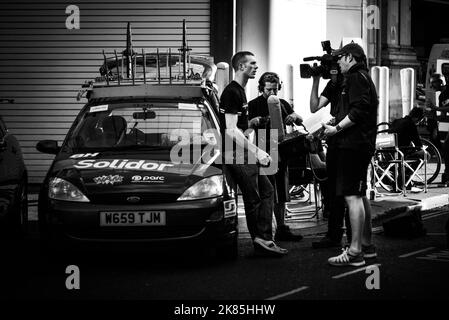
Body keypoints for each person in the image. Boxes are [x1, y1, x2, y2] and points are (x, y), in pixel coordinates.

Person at [219, 51, 287, 256]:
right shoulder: (232, 92)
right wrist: (257, 152)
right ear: (241, 66)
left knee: (266, 191)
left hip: (242, 152)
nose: (256, 67)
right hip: (235, 154)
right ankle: (261, 239)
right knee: (255, 196)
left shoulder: (240, 91)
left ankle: (263, 238)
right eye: (252, 63)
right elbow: (230, 129)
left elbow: (239, 126)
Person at [323, 43, 378, 267]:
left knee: (351, 196)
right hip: (359, 143)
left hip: (352, 145)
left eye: (339, 58)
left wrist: (336, 129)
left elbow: (359, 111)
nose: (337, 62)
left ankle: (354, 250)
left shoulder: (356, 77)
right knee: (360, 194)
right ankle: (366, 246)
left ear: (350, 57)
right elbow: (356, 109)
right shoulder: (361, 77)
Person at [248, 71, 304, 242]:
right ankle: (264, 231)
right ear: (261, 88)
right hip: (261, 150)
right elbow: (241, 127)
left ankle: (281, 228)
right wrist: (253, 121)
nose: (272, 93)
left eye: (275, 90)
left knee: (281, 190)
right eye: (268, 90)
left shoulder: (282, 103)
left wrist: (293, 116)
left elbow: (300, 119)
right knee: (265, 193)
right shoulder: (253, 105)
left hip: (280, 150)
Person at [309, 71, 352, 249]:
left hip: (349, 142)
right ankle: (333, 236)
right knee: (334, 192)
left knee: (350, 193)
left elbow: (357, 112)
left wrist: (338, 126)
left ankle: (353, 238)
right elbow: (314, 107)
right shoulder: (332, 86)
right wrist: (316, 80)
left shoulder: (353, 83)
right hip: (335, 141)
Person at [388, 107, 427, 192]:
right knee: (425, 155)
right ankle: (406, 176)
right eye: (419, 120)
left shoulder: (396, 121)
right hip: (402, 152)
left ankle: (403, 176)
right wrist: (421, 148)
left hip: (390, 152)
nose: (419, 122)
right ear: (417, 118)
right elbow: (418, 144)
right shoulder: (411, 124)